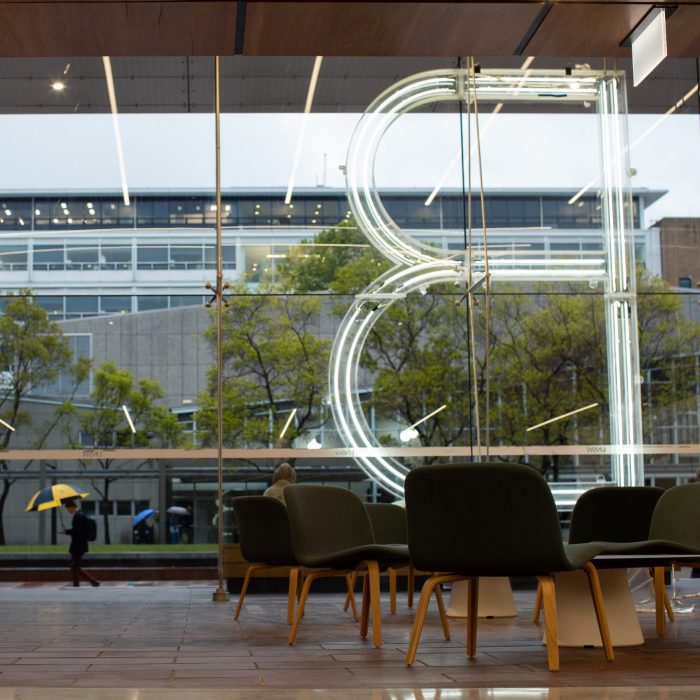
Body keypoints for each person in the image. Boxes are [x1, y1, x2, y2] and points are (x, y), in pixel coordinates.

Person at [62, 500, 100, 587]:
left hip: (78, 545)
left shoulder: (78, 516)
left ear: (72, 507)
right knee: (74, 566)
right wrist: (67, 531)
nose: (69, 511)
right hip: (79, 544)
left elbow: (78, 532)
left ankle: (93, 582)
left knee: (75, 566)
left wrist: (66, 531)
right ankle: (77, 584)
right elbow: (78, 530)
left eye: (68, 509)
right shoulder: (79, 515)